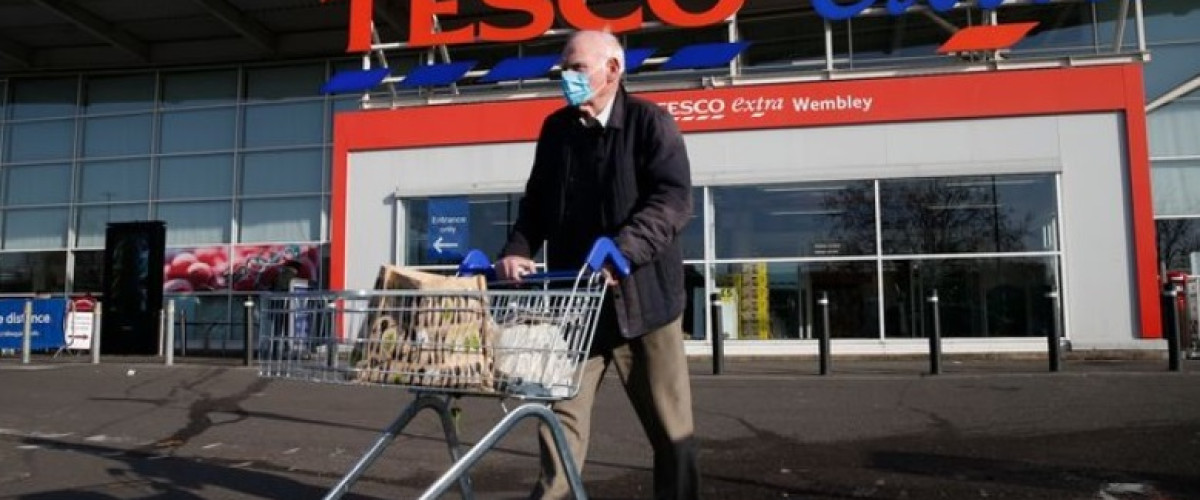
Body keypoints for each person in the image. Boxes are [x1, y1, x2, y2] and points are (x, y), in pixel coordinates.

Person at [496, 30, 698, 500]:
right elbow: (537, 206)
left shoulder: (650, 124)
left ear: (614, 69)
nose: (565, 78)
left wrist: (622, 250)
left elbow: (672, 201)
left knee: (673, 435)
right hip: (577, 311)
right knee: (557, 424)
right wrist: (518, 249)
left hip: (644, 307)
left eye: (576, 68)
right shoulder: (556, 131)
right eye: (563, 69)